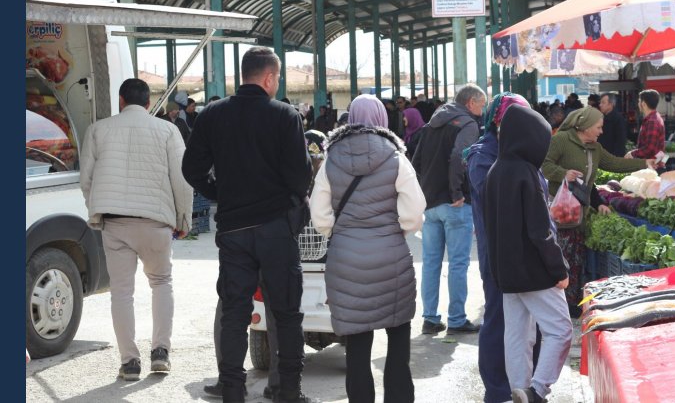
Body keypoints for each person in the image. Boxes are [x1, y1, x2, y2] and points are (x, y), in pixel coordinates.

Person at [182, 46, 315, 403]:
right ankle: (289, 390)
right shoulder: (286, 116)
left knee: (235, 313)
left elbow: (190, 169)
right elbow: (301, 178)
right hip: (275, 228)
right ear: (270, 77)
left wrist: (220, 193)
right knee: (286, 313)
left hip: (234, 230)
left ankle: (233, 391)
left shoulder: (212, 114)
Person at [309, 94, 426, 403]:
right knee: (398, 345)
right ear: (382, 119)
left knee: (357, 352)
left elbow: (319, 215)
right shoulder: (395, 156)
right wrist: (396, 228)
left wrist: (341, 230)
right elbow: (414, 211)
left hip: (346, 263)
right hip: (391, 261)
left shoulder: (331, 158)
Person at [79, 78, 193, 381]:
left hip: (115, 223)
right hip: (155, 221)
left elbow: (86, 179)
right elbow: (182, 180)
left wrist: (96, 209)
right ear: (147, 103)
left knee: (122, 292)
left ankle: (129, 362)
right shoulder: (168, 130)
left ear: (120, 101)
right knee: (161, 282)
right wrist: (184, 219)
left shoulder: (98, 130)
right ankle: (161, 354)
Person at [485, 104, 573, 403]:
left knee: (518, 334)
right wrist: (559, 269)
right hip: (534, 270)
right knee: (560, 329)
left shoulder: (495, 171)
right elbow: (540, 230)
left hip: (506, 271)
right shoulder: (527, 173)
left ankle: (520, 390)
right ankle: (537, 391)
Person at [541, 106, 657, 317]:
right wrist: (563, 174)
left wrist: (644, 164)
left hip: (581, 210)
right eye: (598, 127)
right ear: (585, 126)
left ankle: (573, 301)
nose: (601, 131)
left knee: (577, 258)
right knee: (562, 257)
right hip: (561, 210)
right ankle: (560, 304)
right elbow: (544, 164)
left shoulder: (594, 148)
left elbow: (614, 163)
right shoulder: (561, 140)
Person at [466, 93, 535, 403]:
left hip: (525, 248)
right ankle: (496, 390)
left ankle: (524, 385)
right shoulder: (482, 156)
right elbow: (499, 202)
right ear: (498, 123)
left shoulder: (520, 152)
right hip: (497, 251)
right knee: (498, 317)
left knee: (527, 321)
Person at [411, 83, 487, 335]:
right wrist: (456, 192)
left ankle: (430, 319)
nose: (482, 110)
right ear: (470, 103)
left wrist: (427, 192)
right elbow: (459, 157)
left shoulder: (431, 124)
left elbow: (417, 162)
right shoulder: (468, 124)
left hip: (431, 204)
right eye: (481, 104)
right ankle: (456, 319)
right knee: (457, 263)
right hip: (455, 204)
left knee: (431, 263)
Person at [625, 89, 665, 159]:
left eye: (639, 101)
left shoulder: (652, 121)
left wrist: (632, 154)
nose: (638, 104)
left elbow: (650, 149)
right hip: (655, 164)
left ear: (643, 104)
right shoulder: (656, 117)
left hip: (652, 166)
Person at [597, 93, 627, 157]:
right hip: (603, 155)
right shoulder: (602, 117)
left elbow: (621, 140)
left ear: (611, 104)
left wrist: (616, 158)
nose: (600, 105)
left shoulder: (618, 119)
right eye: (600, 103)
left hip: (612, 157)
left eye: (603, 103)